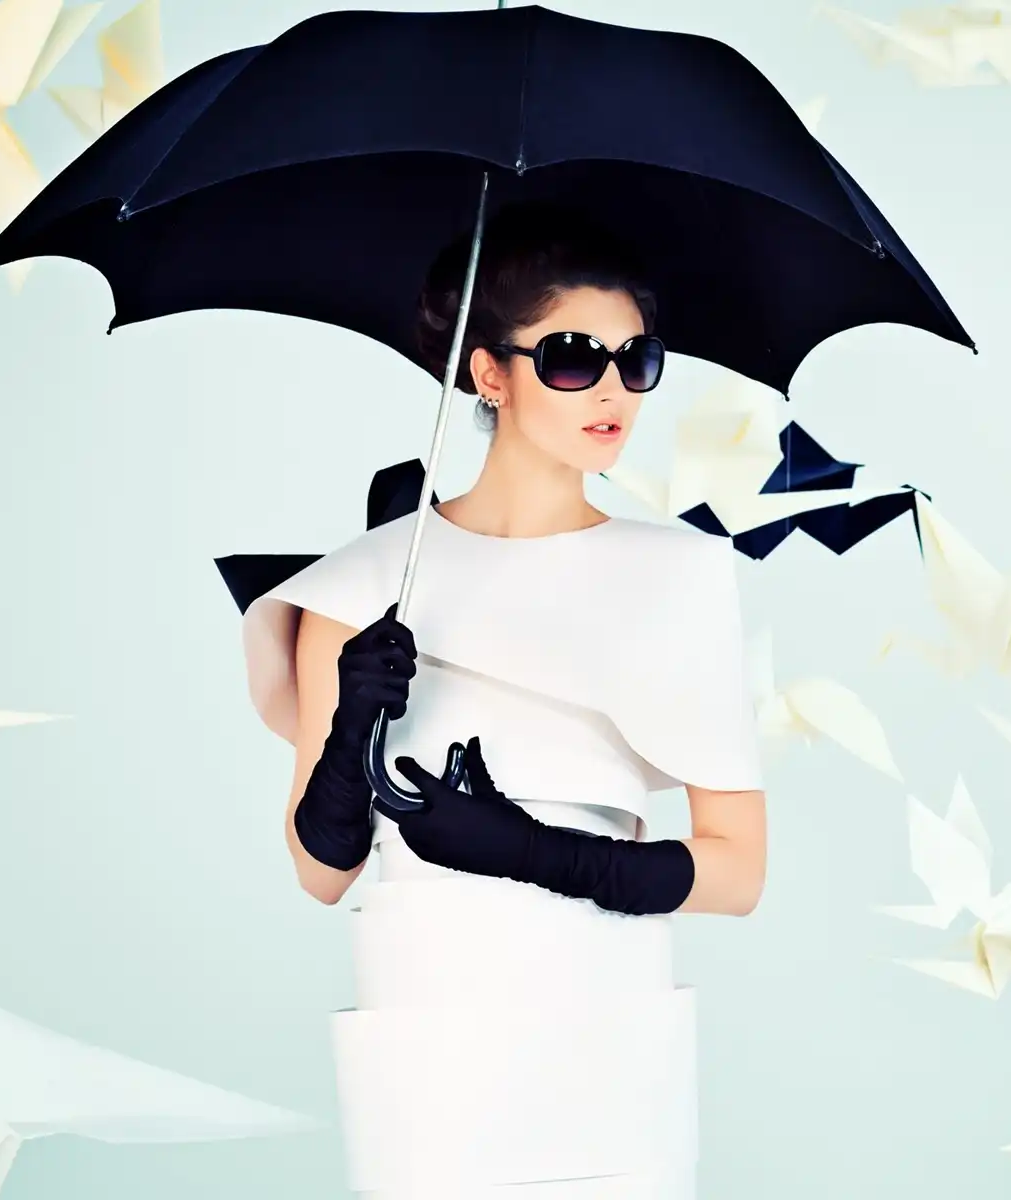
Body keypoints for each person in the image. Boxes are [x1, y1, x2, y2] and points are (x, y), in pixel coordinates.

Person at [236, 203, 765, 1198]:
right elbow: (319, 871)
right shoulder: (362, 586)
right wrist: (352, 722)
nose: (612, 390)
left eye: (636, 360)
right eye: (571, 357)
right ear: (489, 372)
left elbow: (738, 872)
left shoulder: (681, 574)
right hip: (429, 1016)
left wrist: (528, 851)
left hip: (601, 999)